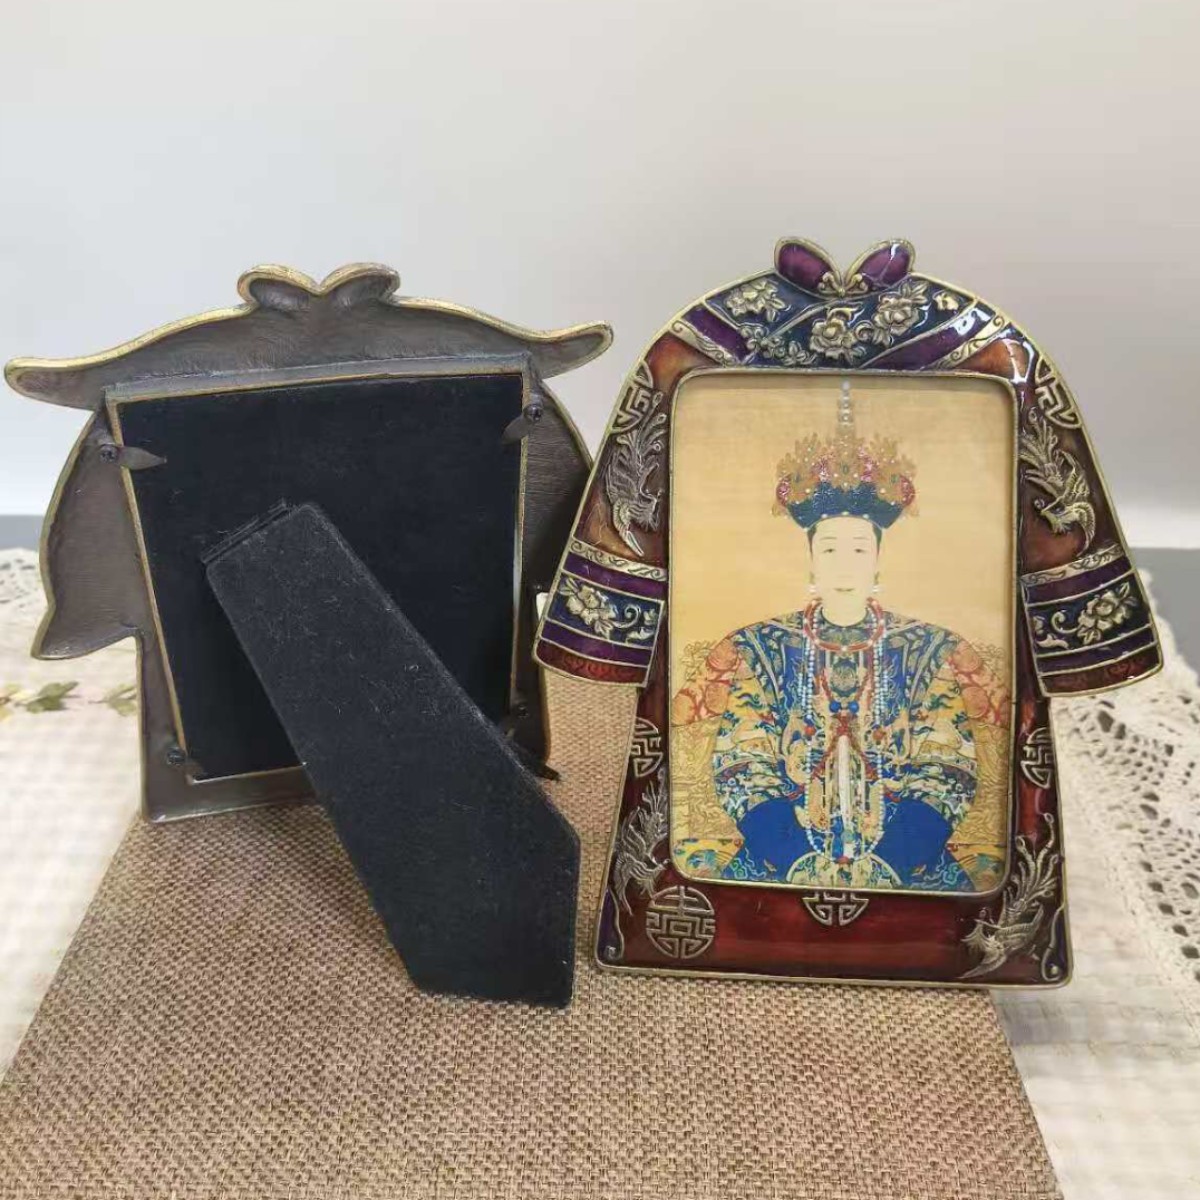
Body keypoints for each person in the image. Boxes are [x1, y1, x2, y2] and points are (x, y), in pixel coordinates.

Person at [677, 402, 989, 892]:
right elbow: (743, 763)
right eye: (829, 548)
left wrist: (893, 860)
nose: (844, 564)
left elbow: (947, 766)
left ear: (878, 560)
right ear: (811, 560)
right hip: (779, 855)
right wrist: (793, 856)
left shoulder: (930, 649)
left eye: (859, 548)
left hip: (908, 859)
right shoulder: (761, 647)